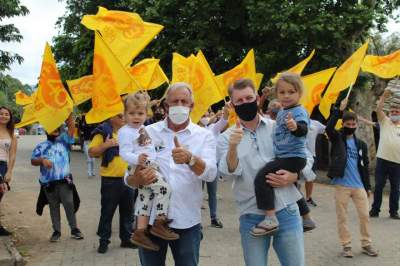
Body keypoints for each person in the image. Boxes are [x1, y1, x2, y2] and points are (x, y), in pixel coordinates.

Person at [125, 82, 217, 266]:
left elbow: (211, 174)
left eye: (184, 101)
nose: (179, 105)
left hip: (187, 221)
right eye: (175, 102)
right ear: (166, 105)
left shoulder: (204, 135)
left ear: (191, 105)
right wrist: (137, 179)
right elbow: (128, 177)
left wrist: (191, 159)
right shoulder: (147, 132)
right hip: (150, 222)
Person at [218, 78, 304, 266]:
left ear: (257, 99)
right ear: (232, 105)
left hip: (286, 208)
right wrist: (233, 147)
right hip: (251, 214)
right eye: (239, 101)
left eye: (249, 98)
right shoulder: (225, 138)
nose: (245, 103)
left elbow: (305, 155)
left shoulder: (277, 126)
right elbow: (227, 172)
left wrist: (294, 176)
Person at [118, 92, 179, 251]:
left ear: (146, 114)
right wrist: (138, 159)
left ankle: (139, 231)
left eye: (140, 113)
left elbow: (148, 146)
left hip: (148, 164)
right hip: (139, 165)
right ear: (124, 115)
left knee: (145, 197)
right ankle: (159, 222)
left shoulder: (143, 128)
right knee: (164, 189)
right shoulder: (125, 131)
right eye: (131, 113)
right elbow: (124, 153)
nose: (136, 117)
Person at [252, 72, 309, 236]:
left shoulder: (298, 111)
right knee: (288, 185)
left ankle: (270, 218)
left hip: (292, 157)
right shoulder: (283, 111)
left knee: (262, 178)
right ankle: (307, 217)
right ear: (277, 94)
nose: (286, 96)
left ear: (300, 93)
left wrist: (295, 127)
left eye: (291, 92)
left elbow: (303, 129)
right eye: (282, 92)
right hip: (286, 157)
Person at [326, 98, 378, 258]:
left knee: (365, 215)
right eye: (348, 124)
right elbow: (329, 128)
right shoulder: (337, 138)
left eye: (353, 125)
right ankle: (346, 245)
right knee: (342, 217)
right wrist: (339, 111)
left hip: (359, 186)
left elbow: (365, 166)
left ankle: (366, 244)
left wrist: (368, 186)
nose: (351, 127)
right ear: (343, 124)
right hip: (342, 185)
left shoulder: (361, 144)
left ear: (356, 125)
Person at [88, 114, 137, 253]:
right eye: (120, 116)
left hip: (129, 179)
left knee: (128, 212)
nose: (124, 118)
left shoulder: (129, 133)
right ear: (111, 118)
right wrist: (106, 145)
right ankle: (104, 241)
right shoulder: (103, 132)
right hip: (110, 180)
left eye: (124, 115)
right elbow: (91, 152)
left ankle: (126, 239)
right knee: (107, 212)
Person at [31, 114, 84, 242]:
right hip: (49, 183)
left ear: (60, 128)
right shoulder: (41, 146)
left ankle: (74, 229)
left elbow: (71, 127)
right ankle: (57, 231)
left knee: (69, 203)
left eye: (57, 127)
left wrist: (68, 113)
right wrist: (42, 160)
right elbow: (33, 161)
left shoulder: (64, 140)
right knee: (53, 206)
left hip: (64, 181)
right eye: (51, 127)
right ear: (46, 130)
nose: (54, 129)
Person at [370, 89, 400, 219]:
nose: (394, 113)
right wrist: (383, 96)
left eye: (397, 112)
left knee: (396, 189)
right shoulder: (384, 121)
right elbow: (378, 109)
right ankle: (375, 210)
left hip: (397, 162)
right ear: (389, 113)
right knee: (379, 186)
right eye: (392, 112)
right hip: (382, 159)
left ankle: (393, 212)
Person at [199, 104, 230, 228]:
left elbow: (223, 121)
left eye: (207, 114)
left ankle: (213, 218)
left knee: (212, 193)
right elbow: (205, 122)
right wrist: (213, 117)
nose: (206, 117)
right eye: (203, 115)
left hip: (212, 166)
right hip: (198, 166)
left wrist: (226, 111)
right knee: (197, 193)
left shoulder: (213, 128)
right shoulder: (195, 130)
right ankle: (196, 220)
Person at [0, 107, 17, 236]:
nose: (4, 116)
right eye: (1, 114)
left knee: (0, 195)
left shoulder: (12, 134)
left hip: (3, 166)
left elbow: (12, 155)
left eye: (6, 114)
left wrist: (9, 171)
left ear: (10, 117)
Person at [304, 119, 326, 206]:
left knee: (310, 178)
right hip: (297, 154)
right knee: (296, 178)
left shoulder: (315, 123)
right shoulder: (293, 121)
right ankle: (295, 199)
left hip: (311, 155)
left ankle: (308, 198)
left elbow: (327, 130)